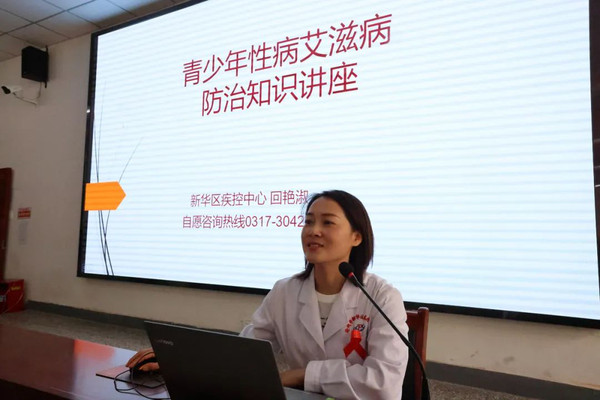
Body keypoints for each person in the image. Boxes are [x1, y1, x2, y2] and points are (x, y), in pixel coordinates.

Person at [127, 190, 408, 399]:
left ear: (356, 237)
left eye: (328, 223)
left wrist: (302, 375)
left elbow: (383, 383)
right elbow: (246, 352)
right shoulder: (285, 291)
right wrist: (180, 361)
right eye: (308, 222)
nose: (313, 231)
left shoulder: (382, 296)